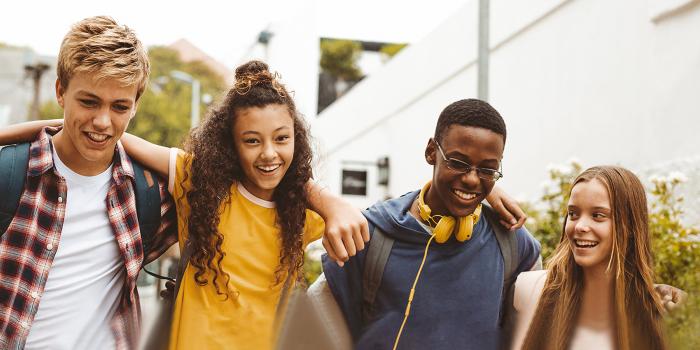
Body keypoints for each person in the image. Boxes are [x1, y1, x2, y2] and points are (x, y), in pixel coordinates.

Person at [0, 18, 369, 350]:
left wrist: (334, 203)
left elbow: (275, 187)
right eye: (88, 101)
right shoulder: (12, 174)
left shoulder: (146, 194)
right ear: (61, 92)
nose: (101, 121)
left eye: (118, 106)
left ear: (135, 106)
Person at [321, 98, 542, 350]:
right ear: (431, 152)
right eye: (458, 163)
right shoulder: (371, 233)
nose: (471, 179)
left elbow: (532, 332)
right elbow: (317, 328)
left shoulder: (513, 241)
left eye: (487, 169)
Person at [511, 166, 670, 350]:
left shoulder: (659, 312)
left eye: (598, 215)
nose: (580, 226)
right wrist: (491, 192)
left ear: (630, 226)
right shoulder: (529, 289)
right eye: (573, 214)